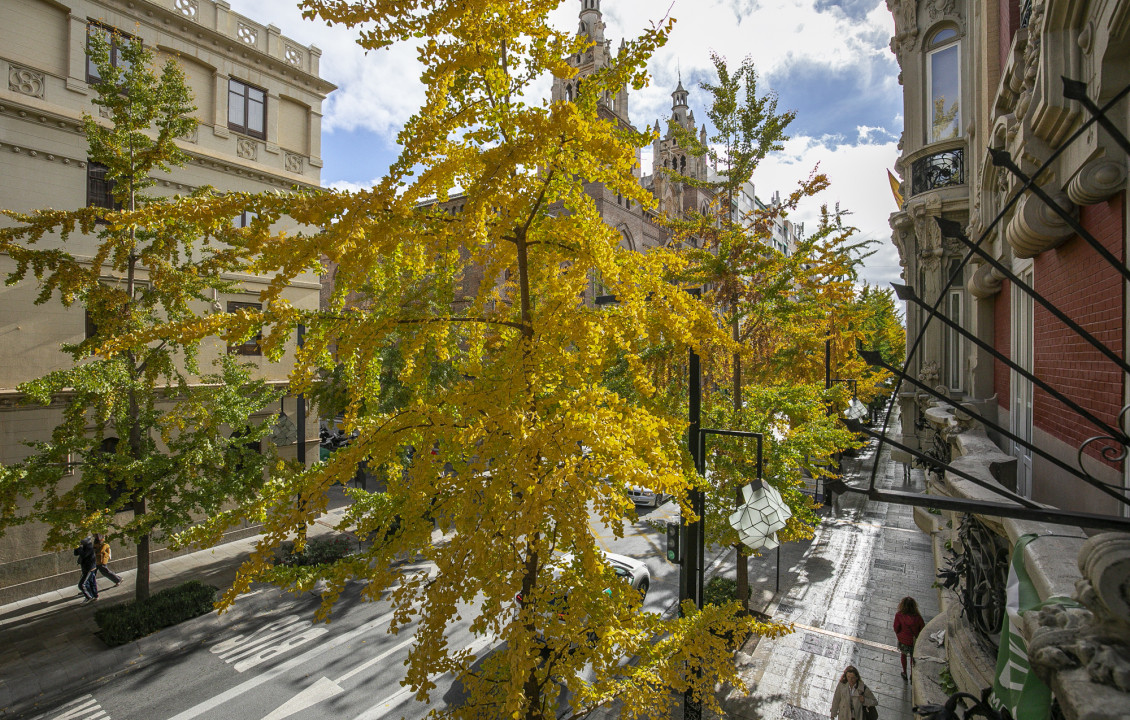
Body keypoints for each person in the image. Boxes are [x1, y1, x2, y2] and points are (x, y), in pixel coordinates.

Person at [894, 596, 926, 680]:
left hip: (903, 640)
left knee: (903, 655)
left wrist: (900, 634)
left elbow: (896, 627)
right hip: (913, 641)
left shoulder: (899, 615)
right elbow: (922, 628)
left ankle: (904, 672)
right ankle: (912, 674)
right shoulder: (918, 617)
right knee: (913, 657)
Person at [74, 537, 98, 604]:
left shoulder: (89, 547)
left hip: (89, 568)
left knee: (82, 584)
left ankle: (89, 597)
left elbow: (84, 555)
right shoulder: (84, 547)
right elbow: (76, 554)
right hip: (86, 568)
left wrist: (79, 548)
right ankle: (95, 595)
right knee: (91, 582)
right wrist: (76, 547)